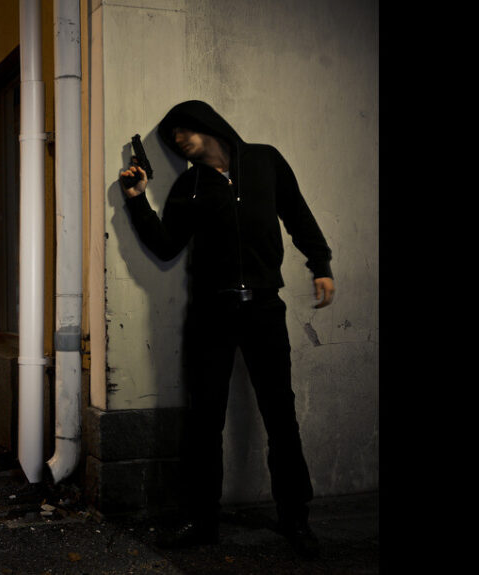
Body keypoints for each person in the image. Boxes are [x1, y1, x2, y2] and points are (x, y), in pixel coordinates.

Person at [119, 100, 334, 559]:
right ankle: (202, 521)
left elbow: (297, 213)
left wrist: (320, 263)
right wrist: (137, 200)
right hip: (211, 313)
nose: (178, 140)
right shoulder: (189, 186)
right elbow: (165, 245)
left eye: (183, 129)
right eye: (171, 137)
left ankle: (296, 519)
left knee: (280, 415)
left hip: (264, 308)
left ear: (207, 124)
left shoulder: (265, 161)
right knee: (204, 419)